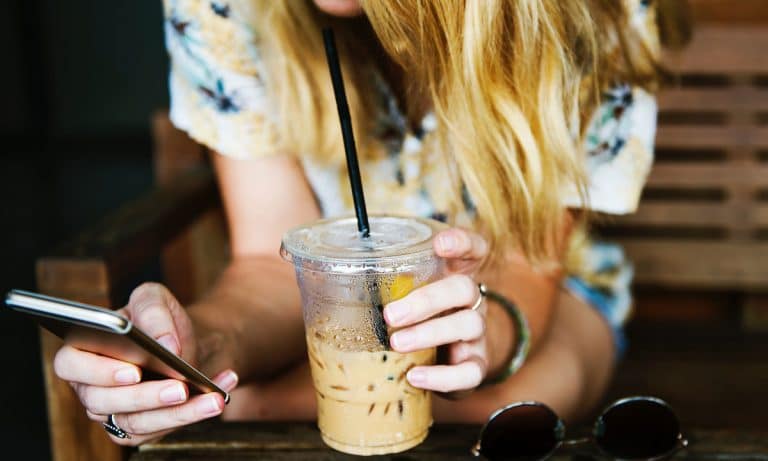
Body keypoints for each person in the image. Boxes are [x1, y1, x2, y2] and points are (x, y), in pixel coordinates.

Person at [53, 0, 690, 446]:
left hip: (540, 288)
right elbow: (269, 271)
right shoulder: (226, 7)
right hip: (333, 312)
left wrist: (484, 335)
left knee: (509, 406)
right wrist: (200, 352)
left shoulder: (594, 12)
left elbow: (529, 264)